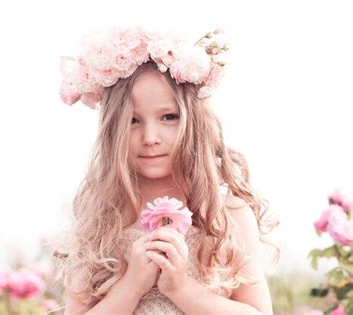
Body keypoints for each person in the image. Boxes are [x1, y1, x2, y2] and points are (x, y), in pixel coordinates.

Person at [54, 25, 278, 315]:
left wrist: (181, 288)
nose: (150, 137)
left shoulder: (227, 215)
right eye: (133, 121)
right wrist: (131, 286)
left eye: (168, 117)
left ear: (193, 122)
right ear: (112, 129)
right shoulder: (102, 217)